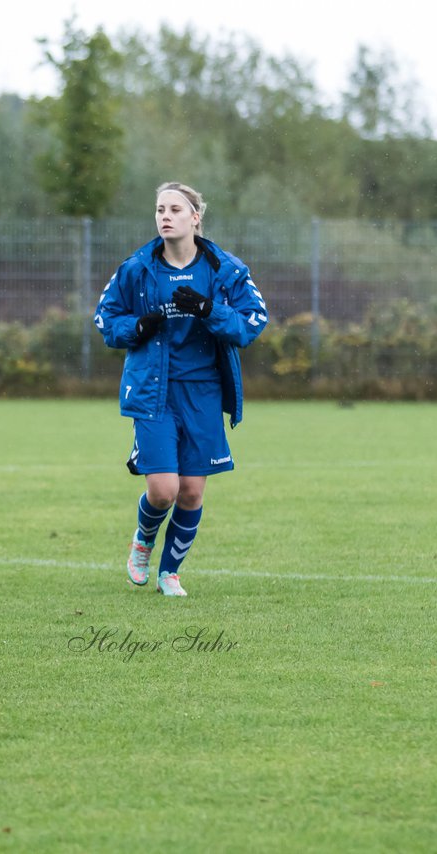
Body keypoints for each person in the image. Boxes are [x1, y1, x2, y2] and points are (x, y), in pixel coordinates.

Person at [93, 181, 268, 596]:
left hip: (203, 391)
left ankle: (169, 572)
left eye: (175, 209)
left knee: (190, 491)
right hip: (154, 390)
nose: (165, 216)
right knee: (163, 489)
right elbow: (104, 319)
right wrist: (137, 326)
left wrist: (211, 310)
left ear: (195, 217)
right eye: (159, 209)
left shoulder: (225, 269)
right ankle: (143, 541)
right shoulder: (136, 268)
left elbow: (253, 322)